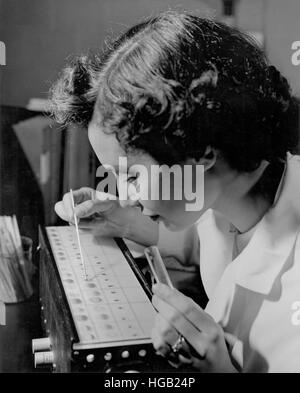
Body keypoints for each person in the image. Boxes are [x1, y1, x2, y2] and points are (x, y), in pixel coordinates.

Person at [51, 11, 300, 372]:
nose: (125, 193)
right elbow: (212, 242)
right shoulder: (234, 193)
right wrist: (127, 222)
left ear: (203, 153)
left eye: (132, 176)